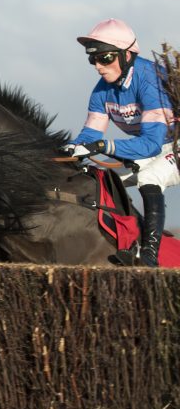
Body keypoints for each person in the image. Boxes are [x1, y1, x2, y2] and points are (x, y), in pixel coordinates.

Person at [65, 18, 178, 266]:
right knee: (100, 178)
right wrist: (72, 149)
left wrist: (107, 147)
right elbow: (91, 136)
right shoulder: (101, 91)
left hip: (171, 145)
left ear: (127, 55)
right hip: (153, 143)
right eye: (92, 59)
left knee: (150, 178)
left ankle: (148, 256)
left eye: (105, 58)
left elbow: (151, 145)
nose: (98, 66)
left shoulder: (150, 80)